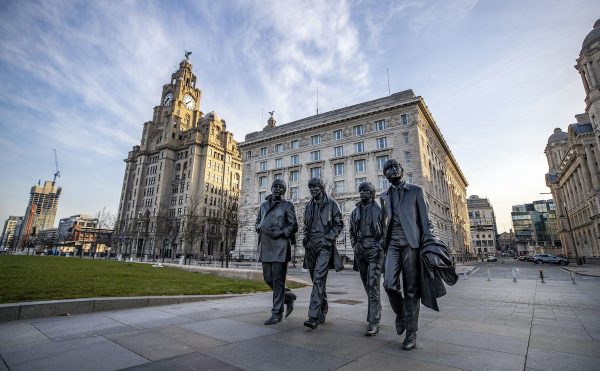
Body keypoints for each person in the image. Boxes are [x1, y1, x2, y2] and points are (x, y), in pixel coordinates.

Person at [380, 159, 436, 350]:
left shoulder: (415, 191)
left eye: (396, 167)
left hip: (411, 242)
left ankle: (411, 333)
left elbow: (425, 221)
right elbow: (384, 222)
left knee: (411, 290)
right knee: (388, 283)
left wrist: (428, 244)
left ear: (402, 170)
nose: (393, 170)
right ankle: (403, 315)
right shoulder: (384, 196)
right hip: (392, 244)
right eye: (388, 169)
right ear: (385, 175)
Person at [302, 178, 344, 329]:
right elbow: (305, 225)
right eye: (310, 188)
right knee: (316, 281)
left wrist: (329, 238)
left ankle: (313, 316)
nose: (312, 190)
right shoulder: (308, 206)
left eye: (315, 188)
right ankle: (323, 308)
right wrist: (305, 238)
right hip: (311, 246)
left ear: (321, 188)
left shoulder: (332, 204)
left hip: (324, 245)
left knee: (319, 278)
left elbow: (339, 224)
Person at [255, 179, 298, 325]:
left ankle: (276, 313)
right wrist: (258, 227)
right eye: (276, 187)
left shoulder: (287, 205)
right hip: (266, 245)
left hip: (280, 246)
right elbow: (258, 221)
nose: (278, 189)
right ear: (271, 188)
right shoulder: (263, 205)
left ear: (284, 191)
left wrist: (281, 232)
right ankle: (288, 296)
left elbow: (293, 225)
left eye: (281, 187)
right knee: (268, 279)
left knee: (278, 281)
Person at [349, 181, 384, 336]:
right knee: (367, 286)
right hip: (360, 249)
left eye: (366, 191)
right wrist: (354, 244)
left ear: (372, 193)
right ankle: (376, 310)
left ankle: (373, 321)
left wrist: (380, 246)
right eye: (361, 190)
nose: (362, 193)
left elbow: (386, 230)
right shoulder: (355, 212)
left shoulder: (380, 210)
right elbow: (351, 231)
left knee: (373, 284)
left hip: (375, 249)